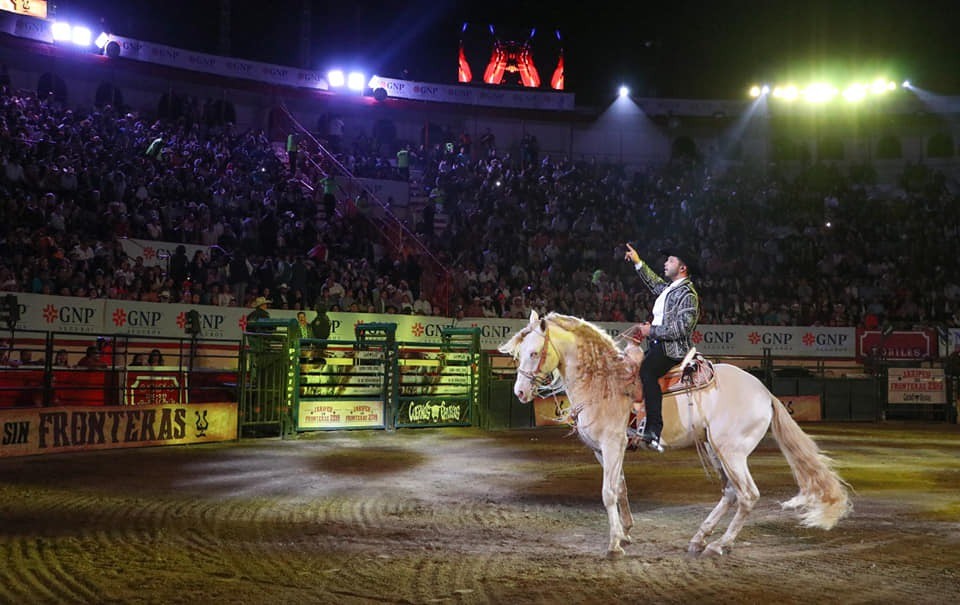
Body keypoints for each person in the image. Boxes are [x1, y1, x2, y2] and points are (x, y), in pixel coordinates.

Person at [624, 243, 701, 452]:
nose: (666, 263)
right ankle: (633, 424)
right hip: (659, 346)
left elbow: (682, 328)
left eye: (671, 260)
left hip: (674, 350)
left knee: (647, 371)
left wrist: (652, 331)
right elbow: (654, 283)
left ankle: (653, 430)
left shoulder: (689, 294)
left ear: (682, 268)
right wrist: (638, 262)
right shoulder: (670, 289)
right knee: (629, 368)